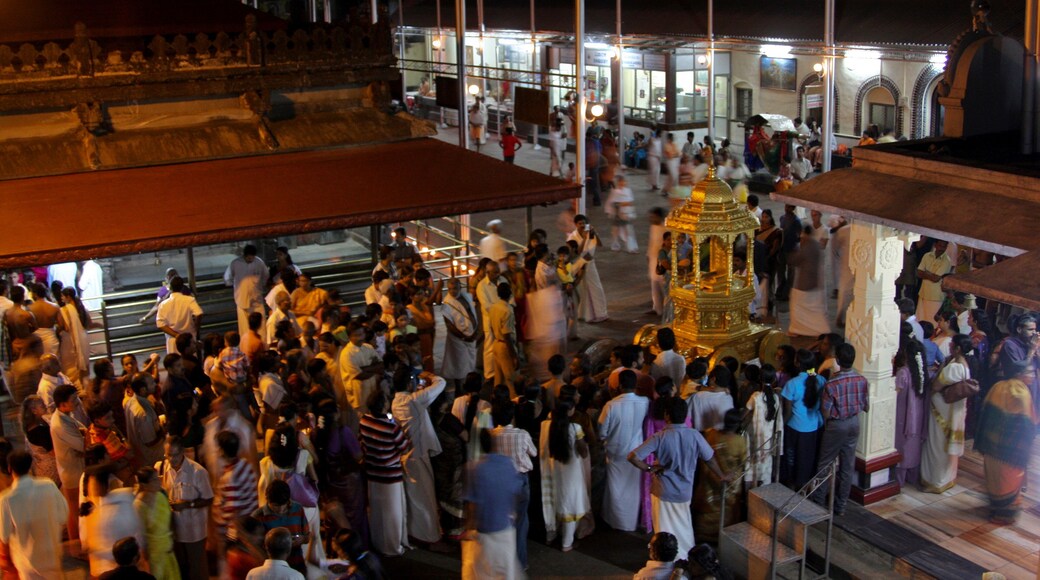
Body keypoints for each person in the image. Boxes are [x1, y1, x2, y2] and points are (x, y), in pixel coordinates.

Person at [629, 397, 727, 559]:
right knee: (684, 527)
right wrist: (721, 475)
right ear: (685, 415)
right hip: (684, 492)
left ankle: (664, 559)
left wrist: (649, 468)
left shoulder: (659, 437)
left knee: (663, 529)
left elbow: (633, 456)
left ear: (667, 415)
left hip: (663, 492)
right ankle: (687, 557)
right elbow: (709, 458)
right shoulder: (695, 435)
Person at [975, 357, 1039, 524]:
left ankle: (996, 509)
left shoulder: (997, 386)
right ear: (1019, 374)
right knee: (1008, 480)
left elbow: (985, 415)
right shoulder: (1021, 391)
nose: (1032, 376)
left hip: (991, 446)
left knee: (995, 479)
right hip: (1010, 451)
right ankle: (1004, 515)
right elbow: (1027, 423)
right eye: (1029, 372)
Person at [390, 368, 447, 547]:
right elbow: (442, 383)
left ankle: (416, 533)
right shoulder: (413, 400)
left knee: (415, 499)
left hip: (406, 455)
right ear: (409, 383)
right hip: (418, 456)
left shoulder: (395, 402)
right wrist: (428, 375)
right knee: (426, 500)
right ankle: (431, 538)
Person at [810, 344, 869, 514]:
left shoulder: (832, 383)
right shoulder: (862, 380)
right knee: (847, 466)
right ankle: (841, 505)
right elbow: (866, 407)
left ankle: (818, 502)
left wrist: (833, 422)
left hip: (837, 425)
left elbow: (825, 411)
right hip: (854, 423)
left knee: (825, 464)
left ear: (837, 360)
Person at [462, 428, 524, 580]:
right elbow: (515, 492)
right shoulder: (508, 464)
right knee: (507, 570)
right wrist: (512, 514)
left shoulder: (474, 468)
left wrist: (469, 527)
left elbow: (472, 504)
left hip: (485, 529)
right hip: (505, 526)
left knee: (483, 572)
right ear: (496, 445)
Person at [920, 335, 976, 493]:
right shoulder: (964, 365)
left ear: (958, 348)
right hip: (955, 411)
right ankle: (947, 479)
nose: (950, 346)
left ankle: (935, 481)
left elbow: (937, 386)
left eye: (952, 345)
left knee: (937, 446)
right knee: (946, 448)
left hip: (943, 412)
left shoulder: (954, 367)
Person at [0, 451, 68, 579]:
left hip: (26, 562)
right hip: (52, 555)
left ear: (9, 469)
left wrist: (4, 560)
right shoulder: (48, 485)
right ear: (30, 465)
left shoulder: (6, 499)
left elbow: (4, 535)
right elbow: (63, 515)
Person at [359, 390, 411, 556]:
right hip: (390, 476)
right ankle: (393, 546)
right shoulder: (391, 427)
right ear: (383, 406)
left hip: (373, 473)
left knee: (376, 511)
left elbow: (362, 443)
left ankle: (378, 542)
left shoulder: (364, 421)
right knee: (393, 514)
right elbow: (404, 447)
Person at [598, 370, 649, 532]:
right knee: (633, 488)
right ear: (636, 386)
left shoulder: (611, 405)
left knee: (615, 488)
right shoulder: (645, 402)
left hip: (616, 452)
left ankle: (616, 521)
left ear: (619, 386)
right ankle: (630, 521)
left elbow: (602, 431)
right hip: (636, 452)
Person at [157, 437, 214, 580]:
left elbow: (209, 498)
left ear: (182, 452)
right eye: (168, 455)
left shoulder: (197, 472)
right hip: (173, 530)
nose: (171, 459)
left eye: (174, 455)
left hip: (193, 531)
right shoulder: (162, 468)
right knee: (180, 568)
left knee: (197, 569)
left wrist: (188, 504)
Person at [539, 400, 590, 552]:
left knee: (553, 501)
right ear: (570, 411)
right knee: (570, 505)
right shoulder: (575, 428)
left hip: (551, 470)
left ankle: (551, 535)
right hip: (571, 473)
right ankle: (567, 543)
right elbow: (583, 452)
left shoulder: (545, 426)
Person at [80, 465, 145, 577]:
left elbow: (133, 538)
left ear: (102, 485)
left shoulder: (117, 508)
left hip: (118, 569)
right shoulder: (100, 507)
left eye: (92, 484)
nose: (89, 488)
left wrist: (94, 550)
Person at [693, 409, 747, 543]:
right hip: (729, 483)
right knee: (727, 509)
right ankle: (723, 536)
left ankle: (703, 534)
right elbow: (743, 462)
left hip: (709, 480)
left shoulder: (711, 434)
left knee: (708, 506)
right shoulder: (739, 441)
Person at [779, 349, 824, 490]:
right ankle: (806, 486)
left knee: (792, 459)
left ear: (797, 363)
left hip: (795, 427)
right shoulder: (820, 380)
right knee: (807, 458)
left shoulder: (792, 384)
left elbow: (787, 412)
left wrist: (780, 426)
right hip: (814, 426)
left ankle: (792, 486)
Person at [49, 383, 85, 546]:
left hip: (75, 468)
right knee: (74, 510)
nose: (77, 401)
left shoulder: (66, 416)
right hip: (72, 472)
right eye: (73, 399)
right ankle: (75, 545)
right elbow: (83, 444)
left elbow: (84, 431)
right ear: (62, 404)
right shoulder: (60, 424)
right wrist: (85, 441)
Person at [893, 324, 927, 486]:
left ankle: (898, 480)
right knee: (913, 445)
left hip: (902, 414)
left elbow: (896, 393)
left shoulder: (903, 373)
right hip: (918, 414)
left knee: (901, 444)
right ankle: (912, 477)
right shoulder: (922, 372)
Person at [134, 467, 180, 580]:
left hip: (167, 548)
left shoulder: (161, 496)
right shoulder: (139, 505)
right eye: (154, 480)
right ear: (144, 485)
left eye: (157, 478)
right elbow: (140, 534)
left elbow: (168, 521)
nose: (159, 481)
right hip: (154, 554)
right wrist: (144, 558)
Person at [787, 225, 831, 337]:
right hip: (814, 281)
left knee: (797, 308)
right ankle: (816, 330)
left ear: (804, 234)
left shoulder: (807, 246)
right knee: (814, 309)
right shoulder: (816, 245)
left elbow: (795, 260)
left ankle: (798, 329)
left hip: (805, 282)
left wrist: (793, 251)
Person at [745, 364, 783, 487]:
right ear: (774, 380)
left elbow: (745, 412)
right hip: (768, 442)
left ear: (759, 379)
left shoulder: (756, 396)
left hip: (755, 440)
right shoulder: (776, 398)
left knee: (753, 468)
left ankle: (750, 495)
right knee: (765, 470)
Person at [568, 214, 609, 323]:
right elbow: (576, 252)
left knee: (596, 287)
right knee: (583, 289)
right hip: (579, 264)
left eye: (584, 223)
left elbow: (600, 244)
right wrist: (584, 238)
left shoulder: (590, 233)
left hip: (590, 264)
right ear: (576, 224)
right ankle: (586, 315)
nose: (582, 225)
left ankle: (601, 313)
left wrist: (594, 233)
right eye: (580, 223)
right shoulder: (572, 237)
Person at [225, 245, 269, 339]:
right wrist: (236, 286)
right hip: (241, 300)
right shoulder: (235, 263)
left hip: (256, 299)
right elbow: (227, 278)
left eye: (252, 256)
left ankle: (263, 345)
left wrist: (261, 285)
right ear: (244, 255)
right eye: (248, 256)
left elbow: (265, 275)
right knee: (244, 328)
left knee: (261, 326)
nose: (250, 258)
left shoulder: (259, 263)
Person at [339, 323, 383, 416]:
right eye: (356, 335)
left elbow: (381, 365)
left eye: (362, 334)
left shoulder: (368, 347)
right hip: (358, 397)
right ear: (349, 336)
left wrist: (365, 369)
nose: (361, 338)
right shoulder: (347, 354)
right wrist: (373, 368)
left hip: (372, 393)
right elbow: (360, 375)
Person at [441, 278, 479, 385]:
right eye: (450, 289)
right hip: (458, 339)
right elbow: (449, 324)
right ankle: (459, 389)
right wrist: (464, 337)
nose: (453, 291)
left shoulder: (466, 296)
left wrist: (474, 332)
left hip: (470, 336)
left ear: (460, 287)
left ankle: (470, 384)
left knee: (470, 362)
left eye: (455, 288)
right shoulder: (447, 303)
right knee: (459, 364)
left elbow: (472, 312)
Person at [155, 276, 203, 355]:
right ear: (182, 287)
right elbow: (199, 313)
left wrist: (176, 335)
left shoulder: (163, 304)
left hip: (173, 340)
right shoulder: (189, 300)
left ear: (170, 287)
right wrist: (196, 327)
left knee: (175, 362)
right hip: (189, 339)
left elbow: (160, 324)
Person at [58, 287, 93, 386]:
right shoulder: (82, 308)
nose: (61, 298)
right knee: (84, 367)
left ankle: (74, 388)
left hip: (69, 341)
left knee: (70, 367)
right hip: (84, 340)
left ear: (68, 297)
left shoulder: (63, 310)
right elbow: (89, 324)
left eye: (62, 296)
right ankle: (84, 387)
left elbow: (64, 327)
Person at [487, 283, 518, 392]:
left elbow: (491, 326)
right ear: (510, 294)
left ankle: (497, 402)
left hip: (496, 343)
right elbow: (507, 335)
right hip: (505, 346)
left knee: (498, 379)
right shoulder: (507, 310)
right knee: (510, 380)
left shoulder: (494, 307)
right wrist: (514, 356)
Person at [687, 366, 735, 431]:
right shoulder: (729, 397)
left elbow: (687, 419)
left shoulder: (698, 397)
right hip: (719, 438)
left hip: (700, 435)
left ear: (713, 379)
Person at [916, 240, 952, 324]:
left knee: (932, 322)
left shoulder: (946, 260)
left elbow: (936, 279)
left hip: (936, 296)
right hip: (923, 293)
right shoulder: (926, 256)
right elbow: (918, 273)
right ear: (935, 245)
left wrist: (926, 273)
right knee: (920, 319)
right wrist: (931, 275)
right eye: (940, 246)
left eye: (944, 246)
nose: (941, 248)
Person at [605, 174, 637, 253]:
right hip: (617, 214)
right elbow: (612, 203)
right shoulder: (615, 192)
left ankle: (631, 247)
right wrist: (621, 205)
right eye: (620, 182)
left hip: (626, 213)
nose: (622, 183)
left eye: (623, 182)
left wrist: (625, 205)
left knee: (628, 230)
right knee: (615, 230)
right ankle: (615, 245)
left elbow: (631, 202)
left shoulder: (628, 191)